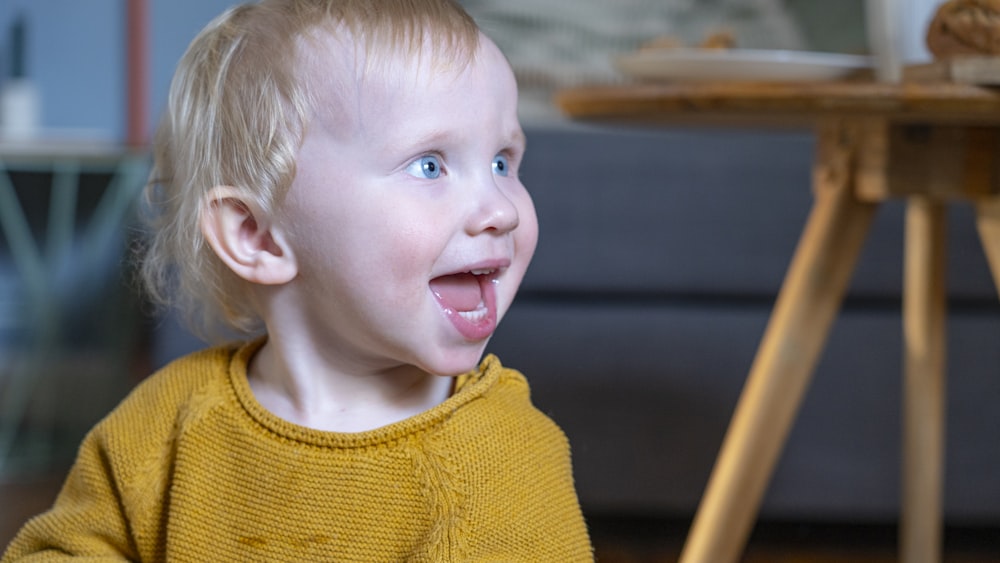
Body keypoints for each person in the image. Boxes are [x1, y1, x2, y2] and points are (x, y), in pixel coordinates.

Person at [2, 0, 593, 560]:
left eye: (502, 162)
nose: (502, 209)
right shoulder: (165, 422)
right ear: (256, 236)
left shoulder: (505, 460)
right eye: (430, 164)